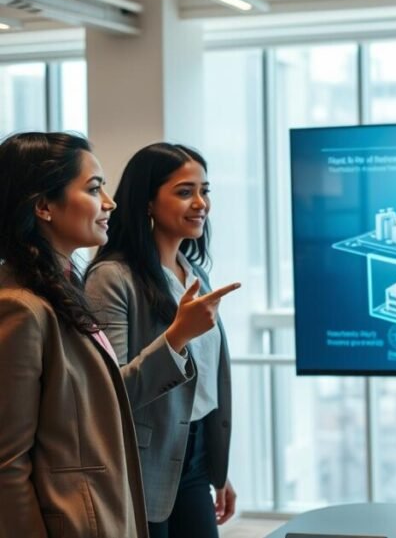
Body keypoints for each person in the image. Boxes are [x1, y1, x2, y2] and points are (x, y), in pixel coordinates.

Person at [0, 132, 156, 536]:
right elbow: (6, 464)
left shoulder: (63, 290)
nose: (110, 202)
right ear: (43, 206)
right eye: (93, 188)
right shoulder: (21, 306)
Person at [86, 143, 240, 538]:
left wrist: (217, 470)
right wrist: (176, 337)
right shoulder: (112, 278)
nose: (201, 203)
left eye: (205, 191)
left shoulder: (195, 275)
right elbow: (112, 392)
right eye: (185, 191)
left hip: (196, 456)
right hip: (142, 462)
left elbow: (207, 385)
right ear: (148, 202)